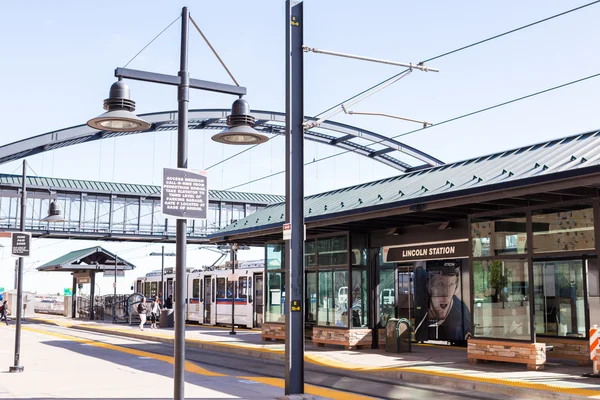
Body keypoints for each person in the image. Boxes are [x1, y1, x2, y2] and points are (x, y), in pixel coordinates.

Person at [416, 266, 471, 343]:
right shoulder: (421, 306)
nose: (447, 294)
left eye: (451, 284)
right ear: (429, 287)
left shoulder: (462, 313)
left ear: (456, 286)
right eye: (441, 284)